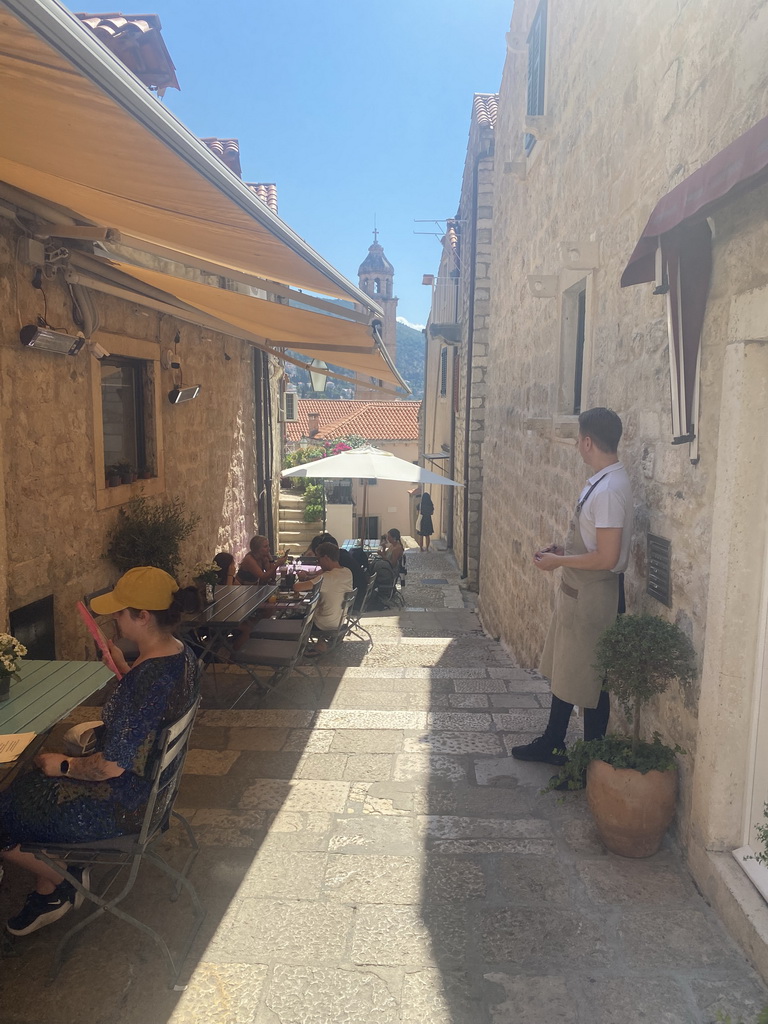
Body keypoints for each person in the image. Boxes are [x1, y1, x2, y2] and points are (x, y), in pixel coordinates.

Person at [0, 567, 200, 936]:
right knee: (23, 788)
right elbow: (150, 712)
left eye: (120, 612)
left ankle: (62, 879)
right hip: (155, 791)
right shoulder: (181, 656)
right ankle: (50, 886)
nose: (113, 618)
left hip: (122, 805)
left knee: (7, 803)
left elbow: (109, 767)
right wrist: (123, 669)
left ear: (142, 616)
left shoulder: (146, 680)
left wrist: (62, 764)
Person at [511, 407, 633, 769]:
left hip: (594, 596)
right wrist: (564, 552)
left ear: (588, 441)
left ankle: (591, 760)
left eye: (580, 440)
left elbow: (608, 557)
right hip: (581, 593)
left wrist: (561, 562)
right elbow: (595, 546)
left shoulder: (609, 489)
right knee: (568, 671)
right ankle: (553, 741)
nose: (579, 447)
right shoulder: (603, 481)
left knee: (592, 682)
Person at [293, 541, 353, 654]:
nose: (318, 563)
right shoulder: (347, 572)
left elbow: (297, 587)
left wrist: (302, 577)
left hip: (323, 624)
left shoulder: (326, 578)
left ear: (326, 558)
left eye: (318, 559)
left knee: (287, 622)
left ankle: (289, 652)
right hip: (339, 621)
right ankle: (319, 644)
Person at [301, 533, 368, 610]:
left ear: (326, 556)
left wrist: (306, 578)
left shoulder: (339, 564)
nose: (318, 562)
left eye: (318, 558)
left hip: (351, 604)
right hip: (353, 600)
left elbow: (323, 579)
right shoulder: (342, 555)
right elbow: (323, 576)